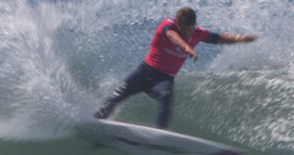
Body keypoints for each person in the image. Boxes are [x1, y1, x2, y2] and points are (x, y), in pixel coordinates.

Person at [94, 7, 257, 129]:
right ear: (178, 24)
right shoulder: (167, 26)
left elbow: (219, 37)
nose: (189, 32)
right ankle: (96, 122)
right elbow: (171, 36)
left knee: (166, 97)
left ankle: (158, 137)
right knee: (114, 98)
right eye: (185, 29)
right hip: (144, 73)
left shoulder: (197, 32)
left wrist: (240, 38)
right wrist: (187, 48)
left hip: (164, 79)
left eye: (191, 28)